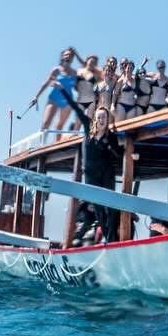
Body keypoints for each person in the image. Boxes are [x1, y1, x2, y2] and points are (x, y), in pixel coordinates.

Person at [60, 90, 125, 246]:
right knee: (98, 209)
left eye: (104, 117)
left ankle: (112, 241)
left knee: (110, 208)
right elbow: (76, 108)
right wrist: (63, 90)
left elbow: (119, 154)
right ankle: (108, 238)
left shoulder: (111, 136)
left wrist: (111, 147)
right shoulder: (88, 128)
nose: (102, 120)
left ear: (108, 119)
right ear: (95, 119)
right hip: (91, 176)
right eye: (99, 117)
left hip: (106, 174)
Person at [29, 47, 83, 133]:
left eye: (70, 55)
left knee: (60, 126)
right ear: (62, 57)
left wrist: (76, 54)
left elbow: (86, 66)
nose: (68, 56)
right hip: (54, 99)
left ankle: (57, 141)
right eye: (66, 55)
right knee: (46, 123)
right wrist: (36, 96)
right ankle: (42, 140)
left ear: (73, 58)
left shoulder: (75, 73)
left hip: (67, 101)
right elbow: (46, 83)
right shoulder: (57, 70)